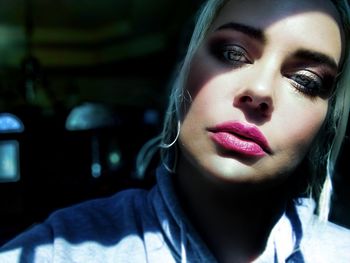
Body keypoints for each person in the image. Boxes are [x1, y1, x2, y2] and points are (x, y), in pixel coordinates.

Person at [1, 0, 350, 262]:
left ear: (327, 121)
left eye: (305, 81)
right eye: (232, 53)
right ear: (183, 71)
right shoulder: (56, 249)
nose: (260, 91)